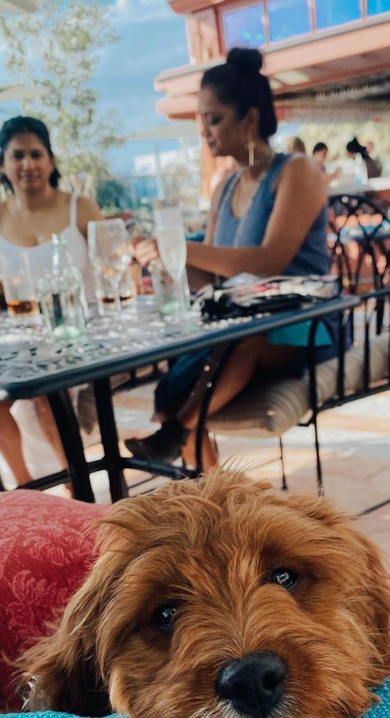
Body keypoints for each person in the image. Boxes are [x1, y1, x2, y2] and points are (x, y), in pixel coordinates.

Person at [129, 48, 337, 469]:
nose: (204, 131)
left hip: (301, 322)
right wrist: (165, 260)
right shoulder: (224, 188)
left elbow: (269, 262)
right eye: (201, 120)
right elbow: (210, 278)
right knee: (179, 385)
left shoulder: (296, 172)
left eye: (214, 118)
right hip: (242, 324)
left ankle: (176, 434)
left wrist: (180, 246)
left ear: (251, 119)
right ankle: (215, 499)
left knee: (243, 342)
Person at [0, 116, 104, 485]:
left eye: (37, 154)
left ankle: (76, 489)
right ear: (3, 165)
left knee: (44, 393)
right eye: (17, 155)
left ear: (51, 161)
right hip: (22, 341)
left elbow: (113, 265)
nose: (28, 164)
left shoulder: (79, 208)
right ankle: (23, 491)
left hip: (83, 335)